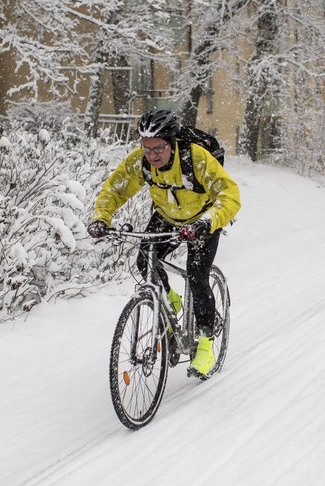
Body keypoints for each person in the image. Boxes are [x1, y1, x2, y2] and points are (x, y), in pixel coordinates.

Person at [86, 109, 241, 375]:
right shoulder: (142, 162)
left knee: (197, 277)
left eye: (159, 147)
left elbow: (229, 194)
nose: (152, 154)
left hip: (202, 221)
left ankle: (205, 343)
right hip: (166, 216)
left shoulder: (196, 159)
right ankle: (170, 298)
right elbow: (115, 188)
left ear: (172, 143)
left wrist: (206, 223)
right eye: (146, 148)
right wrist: (101, 218)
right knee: (145, 261)